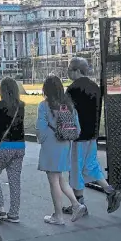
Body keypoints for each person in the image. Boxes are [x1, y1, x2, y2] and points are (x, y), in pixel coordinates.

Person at [62, 57, 121, 216]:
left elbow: (66, 112)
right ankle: (110, 191)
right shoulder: (95, 87)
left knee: (75, 169)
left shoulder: (72, 89)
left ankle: (79, 205)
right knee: (91, 165)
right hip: (92, 134)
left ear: (76, 70)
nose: (67, 72)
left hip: (78, 136)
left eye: (69, 69)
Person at [36, 75, 87, 225]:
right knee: (60, 178)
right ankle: (76, 205)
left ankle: (58, 216)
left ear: (46, 89)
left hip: (51, 145)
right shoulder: (69, 106)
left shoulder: (44, 106)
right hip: (65, 144)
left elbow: (40, 129)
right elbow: (77, 129)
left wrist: (44, 141)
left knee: (53, 181)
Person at [0, 77, 26, 223]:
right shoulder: (21, 105)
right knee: (15, 181)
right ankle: (14, 213)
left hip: (2, 146)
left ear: (2, 90)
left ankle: (1, 209)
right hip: (19, 146)